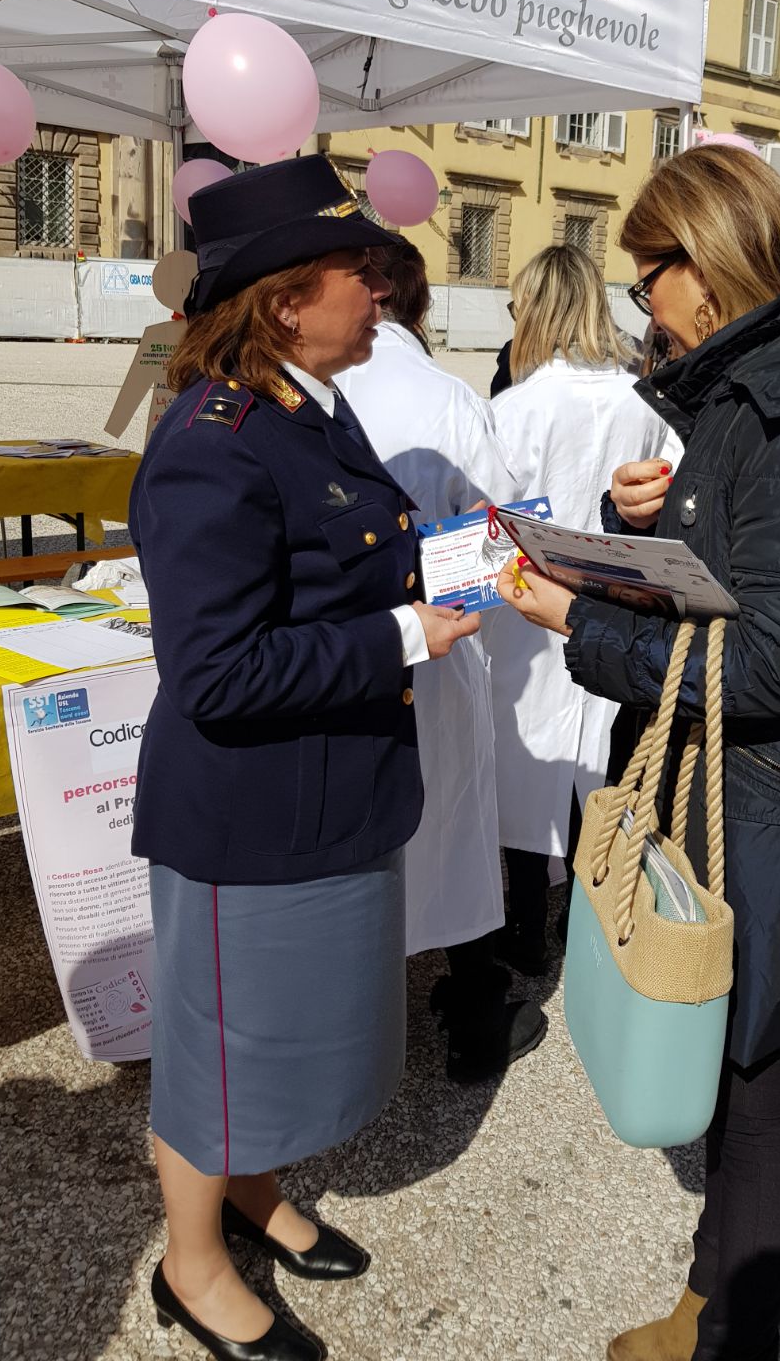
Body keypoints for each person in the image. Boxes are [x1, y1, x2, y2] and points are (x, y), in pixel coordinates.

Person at [495, 145, 780, 1361]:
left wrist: (577, 621)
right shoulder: (746, 384)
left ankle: (730, 1345)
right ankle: (708, 1311)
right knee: (736, 1088)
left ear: (701, 268)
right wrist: (635, 525)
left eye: (646, 274)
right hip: (751, 798)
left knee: (760, 1103)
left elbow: (769, 666)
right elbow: (729, 592)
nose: (638, 302)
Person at [131, 157, 480, 1361]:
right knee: (220, 1050)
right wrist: (401, 634)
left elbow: (342, 560)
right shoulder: (212, 440)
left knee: (272, 1038)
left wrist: (454, 568)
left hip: (323, 794)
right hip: (244, 817)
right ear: (286, 298)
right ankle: (192, 1263)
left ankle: (249, 1188)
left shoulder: (305, 405)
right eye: (362, 272)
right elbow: (217, 671)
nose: (383, 291)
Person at [338, 238, 548, 1079]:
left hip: (336, 655)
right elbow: (501, 532)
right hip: (439, 643)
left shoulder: (305, 390)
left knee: (361, 839)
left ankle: (353, 1023)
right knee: (454, 830)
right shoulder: (444, 397)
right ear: (414, 305)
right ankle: (472, 1018)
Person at [484, 244, 677, 975]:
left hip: (530, 603)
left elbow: (489, 516)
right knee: (599, 755)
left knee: (527, 760)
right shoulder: (644, 399)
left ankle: (529, 925)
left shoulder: (516, 408)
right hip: (616, 598)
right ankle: (588, 918)